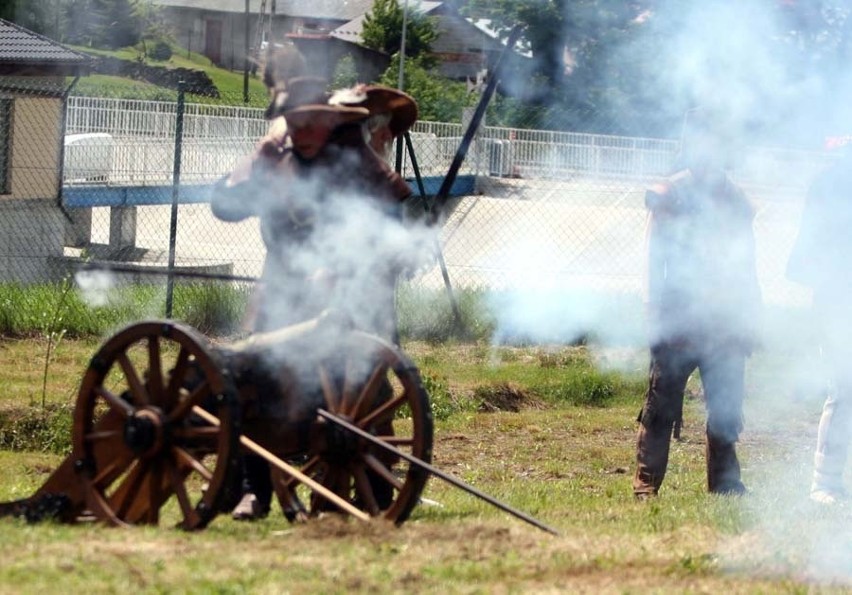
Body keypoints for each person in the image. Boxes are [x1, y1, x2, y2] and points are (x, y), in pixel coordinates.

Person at [633, 115, 762, 499]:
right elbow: (654, 258)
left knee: (725, 407)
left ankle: (725, 483)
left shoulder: (736, 200)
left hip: (725, 318)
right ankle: (645, 484)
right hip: (679, 316)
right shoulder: (671, 193)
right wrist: (653, 309)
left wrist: (751, 313)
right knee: (660, 406)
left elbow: (747, 263)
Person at [786, 144, 852, 505]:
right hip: (839, 300)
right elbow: (811, 257)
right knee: (844, 388)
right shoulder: (830, 184)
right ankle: (824, 483)